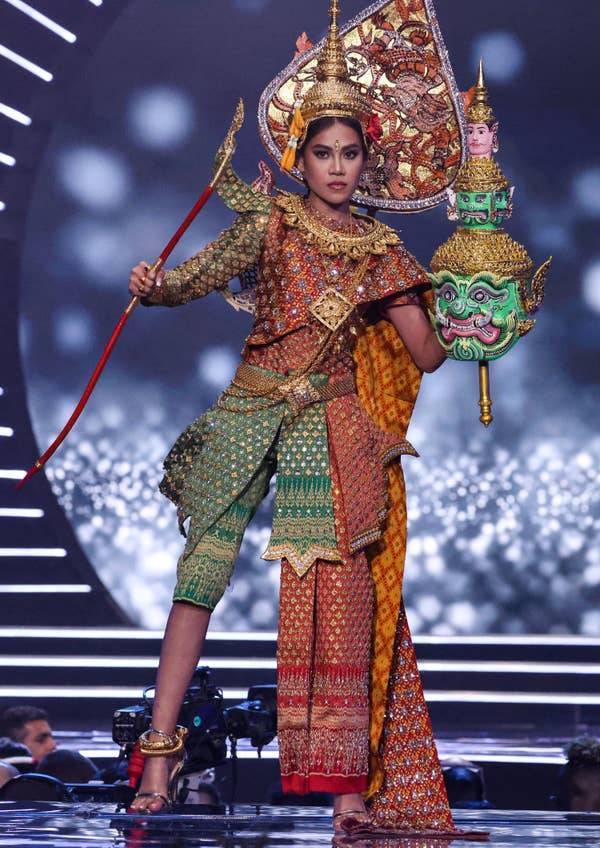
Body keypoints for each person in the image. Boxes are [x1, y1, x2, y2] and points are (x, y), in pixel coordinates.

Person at [126, 1, 462, 837]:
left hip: (333, 422)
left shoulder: (385, 251)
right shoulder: (271, 223)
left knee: (341, 596)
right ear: (300, 157)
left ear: (365, 161)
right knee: (200, 575)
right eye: (324, 153)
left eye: (352, 154)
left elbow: (428, 355)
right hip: (252, 407)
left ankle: (349, 797)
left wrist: (466, 304)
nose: (340, 168)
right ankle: (159, 759)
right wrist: (152, 285)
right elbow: (193, 276)